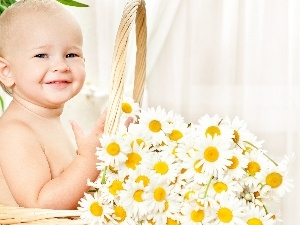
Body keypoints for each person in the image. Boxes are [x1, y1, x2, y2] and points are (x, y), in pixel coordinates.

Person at [0, 0, 118, 210]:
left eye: (71, 55)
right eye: (41, 55)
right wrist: (88, 159)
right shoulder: (15, 131)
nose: (61, 66)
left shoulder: (44, 119)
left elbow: (71, 189)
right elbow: (40, 205)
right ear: (6, 72)